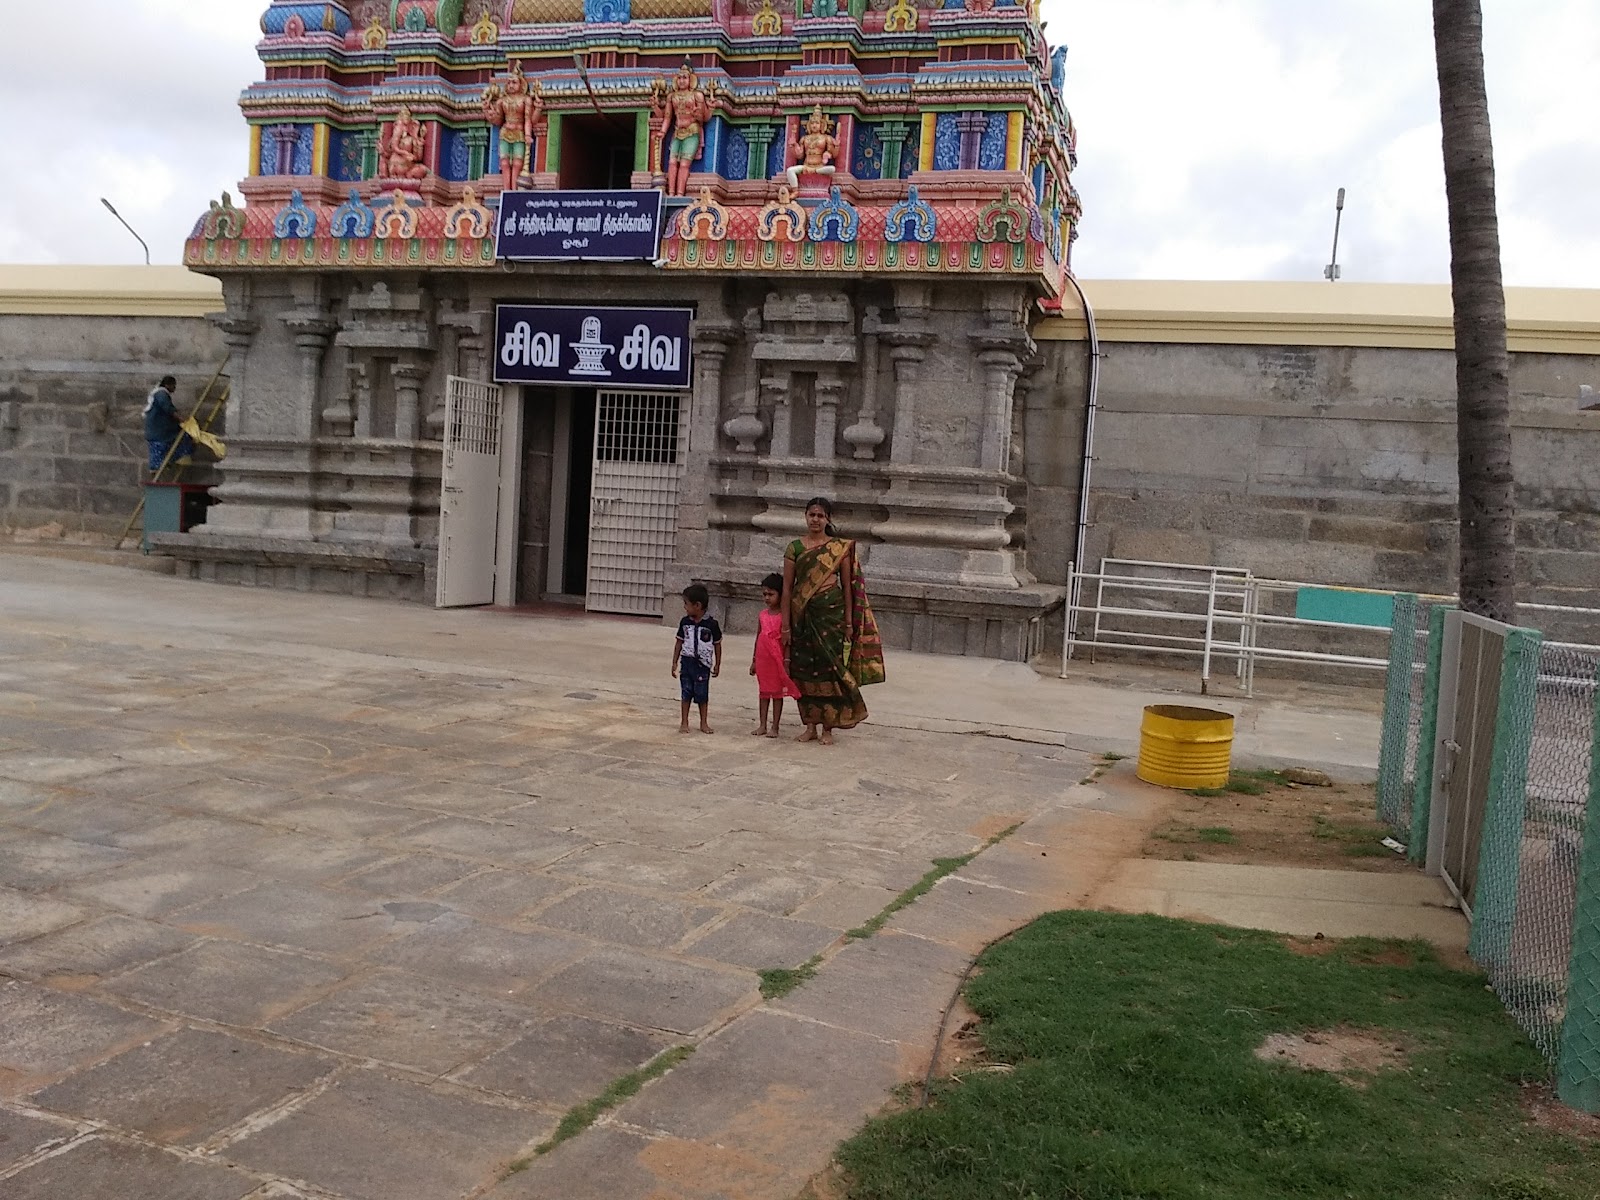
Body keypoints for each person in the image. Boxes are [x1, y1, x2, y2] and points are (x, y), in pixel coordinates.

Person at [780, 497, 886, 745]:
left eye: (820, 515)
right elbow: (787, 590)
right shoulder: (794, 548)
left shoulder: (840, 548)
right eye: (811, 515)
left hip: (832, 616)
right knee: (804, 670)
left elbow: (848, 588)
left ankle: (829, 727)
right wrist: (786, 626)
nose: (815, 520)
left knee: (831, 670)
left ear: (827, 519)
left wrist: (849, 623)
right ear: (805, 517)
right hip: (803, 618)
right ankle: (810, 726)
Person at [749, 572, 799, 738]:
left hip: (777, 659)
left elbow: (787, 642)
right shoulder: (762, 615)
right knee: (763, 692)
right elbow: (758, 637)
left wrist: (786, 661)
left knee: (777, 694)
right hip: (763, 658)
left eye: (771, 594)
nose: (767, 598)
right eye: (765, 594)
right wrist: (754, 660)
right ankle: (762, 724)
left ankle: (775, 727)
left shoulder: (784, 617)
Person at [672, 583, 722, 734]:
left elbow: (717, 645)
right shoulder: (685, 622)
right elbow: (679, 641)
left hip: (702, 664)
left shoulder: (711, 624)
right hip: (687, 662)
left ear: (698, 605)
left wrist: (717, 664)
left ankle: (703, 722)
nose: (685, 608)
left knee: (702, 694)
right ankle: (684, 721)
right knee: (686, 692)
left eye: (686, 604)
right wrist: (674, 661)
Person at [142, 375, 191, 471]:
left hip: (156, 429)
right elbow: (168, 409)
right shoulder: (162, 395)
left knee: (160, 449)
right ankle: (177, 458)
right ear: (168, 385)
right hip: (160, 430)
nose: (174, 388)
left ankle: (163, 464)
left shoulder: (157, 394)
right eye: (174, 385)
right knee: (183, 437)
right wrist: (182, 419)